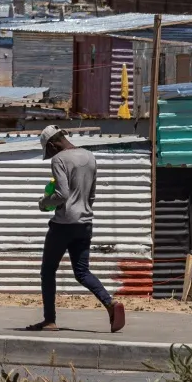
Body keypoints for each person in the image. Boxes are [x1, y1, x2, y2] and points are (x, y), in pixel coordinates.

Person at [22, 125, 126, 333]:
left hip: (63, 225)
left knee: (48, 271)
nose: (49, 154)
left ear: (52, 145)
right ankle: (110, 303)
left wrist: (44, 203)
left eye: (48, 150)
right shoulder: (90, 156)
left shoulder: (59, 160)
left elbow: (61, 194)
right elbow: (92, 195)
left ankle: (49, 320)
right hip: (85, 223)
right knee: (82, 271)